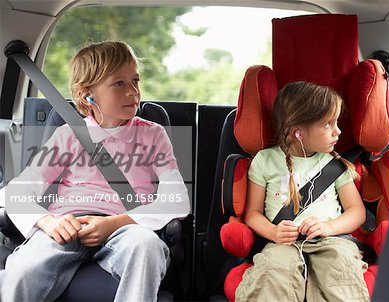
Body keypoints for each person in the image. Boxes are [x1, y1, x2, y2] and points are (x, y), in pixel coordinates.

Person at [0, 41, 190, 301]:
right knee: (21, 269)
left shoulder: (153, 135)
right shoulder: (67, 136)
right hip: (68, 224)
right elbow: (15, 192)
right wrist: (48, 222)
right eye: (119, 83)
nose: (133, 91)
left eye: (135, 80)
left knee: (145, 247)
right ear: (87, 94)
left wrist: (115, 223)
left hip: (127, 226)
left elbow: (177, 198)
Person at [235, 81, 370, 301]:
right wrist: (272, 232)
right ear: (298, 132)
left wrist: (329, 227)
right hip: (282, 243)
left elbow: (357, 211)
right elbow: (252, 213)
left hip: (331, 241)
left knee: (340, 269)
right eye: (328, 124)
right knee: (274, 273)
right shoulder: (265, 161)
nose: (338, 131)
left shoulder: (335, 165)